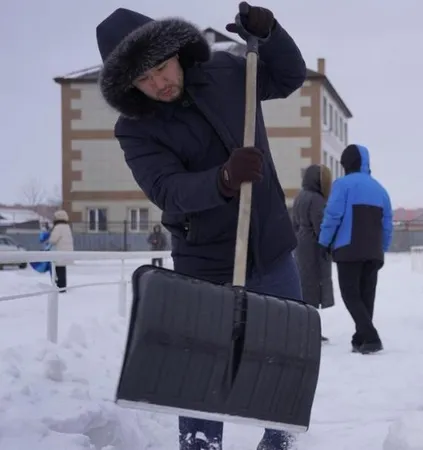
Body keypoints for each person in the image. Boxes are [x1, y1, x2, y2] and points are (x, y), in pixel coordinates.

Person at [94, 3, 307, 449]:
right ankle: (200, 443)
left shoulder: (231, 72)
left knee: (285, 361)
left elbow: (288, 78)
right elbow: (166, 189)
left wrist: (270, 36)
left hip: (269, 249)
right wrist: (223, 180)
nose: (158, 84)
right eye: (143, 79)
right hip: (204, 262)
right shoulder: (135, 128)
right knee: (202, 369)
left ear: (175, 51)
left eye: (160, 67)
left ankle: (279, 439)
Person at [318, 144, 393, 354]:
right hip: (373, 251)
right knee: (366, 294)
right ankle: (361, 338)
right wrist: (382, 248)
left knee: (350, 294)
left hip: (348, 248)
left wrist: (324, 241)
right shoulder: (380, 189)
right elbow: (387, 223)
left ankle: (371, 337)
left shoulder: (342, 185)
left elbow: (333, 215)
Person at [293, 164, 335, 341]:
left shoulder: (300, 196)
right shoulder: (317, 199)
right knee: (313, 287)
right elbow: (321, 227)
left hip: (301, 244)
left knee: (305, 285)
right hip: (313, 247)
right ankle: (310, 331)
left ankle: (304, 328)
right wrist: (328, 246)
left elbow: (294, 222)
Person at [47, 210, 74, 293]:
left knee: (58, 271)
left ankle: (59, 288)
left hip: (59, 252)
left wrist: (49, 238)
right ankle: (63, 287)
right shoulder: (67, 226)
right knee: (62, 270)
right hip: (67, 252)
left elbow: (53, 240)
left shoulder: (58, 227)